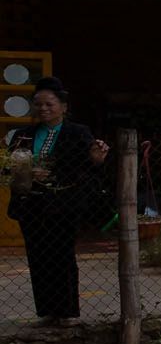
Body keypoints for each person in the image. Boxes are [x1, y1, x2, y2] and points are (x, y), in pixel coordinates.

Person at [4, 77, 110, 326]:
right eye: (38, 104)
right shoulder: (23, 135)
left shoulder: (77, 132)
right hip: (31, 206)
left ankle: (68, 311)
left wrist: (96, 159)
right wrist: (27, 173)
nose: (43, 109)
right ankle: (47, 311)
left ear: (63, 106)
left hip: (63, 206)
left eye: (49, 104)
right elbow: (8, 169)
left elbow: (89, 169)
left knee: (61, 256)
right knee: (37, 257)